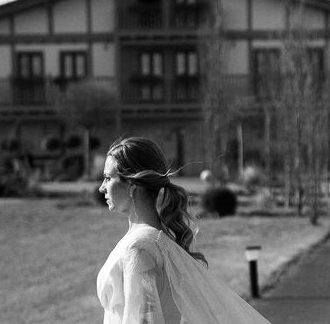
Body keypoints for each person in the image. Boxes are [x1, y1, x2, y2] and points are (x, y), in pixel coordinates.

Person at [97, 136, 272, 324]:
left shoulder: (139, 249)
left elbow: (144, 321)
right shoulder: (153, 241)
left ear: (132, 185)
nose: (101, 188)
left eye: (108, 178)